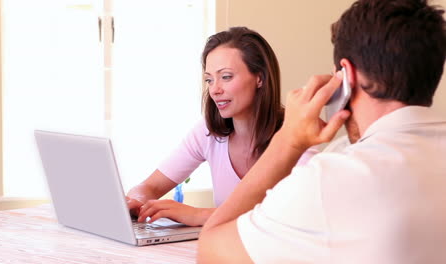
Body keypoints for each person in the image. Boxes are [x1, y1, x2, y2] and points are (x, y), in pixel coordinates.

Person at [198, 0, 446, 263]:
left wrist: (288, 141)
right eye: (209, 79)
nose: (215, 88)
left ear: (346, 75)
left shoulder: (331, 178)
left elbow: (211, 250)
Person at [126, 27, 317, 227]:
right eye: (209, 79)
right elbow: (149, 187)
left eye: (226, 77)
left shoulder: (295, 137)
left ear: (259, 78)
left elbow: (295, 214)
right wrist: (136, 202)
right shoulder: (208, 133)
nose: (215, 90)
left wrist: (200, 215)